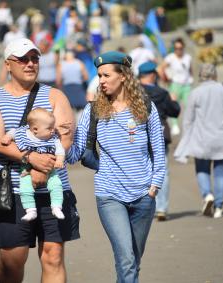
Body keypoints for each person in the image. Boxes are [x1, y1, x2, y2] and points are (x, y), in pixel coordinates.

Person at [0, 37, 79, 283]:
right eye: (23, 59)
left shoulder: (55, 96)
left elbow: (65, 138)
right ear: (7, 64)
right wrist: (30, 159)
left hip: (54, 189)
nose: (30, 63)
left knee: (53, 256)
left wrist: (43, 170)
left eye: (35, 58)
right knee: (12, 260)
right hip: (12, 191)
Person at [67, 51, 165, 282]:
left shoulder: (145, 107)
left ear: (123, 76)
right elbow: (75, 154)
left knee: (133, 260)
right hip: (110, 194)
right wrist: (60, 139)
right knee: (126, 259)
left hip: (143, 195)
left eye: (105, 75)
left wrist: (154, 186)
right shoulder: (93, 111)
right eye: (99, 76)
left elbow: (159, 150)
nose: (100, 80)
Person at [174, 64, 223, 218]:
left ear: (200, 76)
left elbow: (188, 119)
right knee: (220, 174)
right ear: (215, 75)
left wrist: (186, 138)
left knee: (202, 170)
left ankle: (207, 195)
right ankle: (218, 207)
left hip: (202, 139)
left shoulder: (195, 93)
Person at [1, 108, 65, 222]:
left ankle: (56, 206)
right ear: (35, 129)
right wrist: (7, 137)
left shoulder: (53, 138)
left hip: (49, 168)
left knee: (56, 185)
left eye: (53, 127)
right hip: (27, 168)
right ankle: (30, 210)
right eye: (49, 128)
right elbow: (13, 132)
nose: (53, 131)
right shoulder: (23, 133)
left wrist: (59, 160)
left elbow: (60, 150)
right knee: (25, 188)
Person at [138, 61, 180, 221]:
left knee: (142, 171)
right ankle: (161, 207)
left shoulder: (132, 92)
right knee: (162, 171)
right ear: (153, 75)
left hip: (138, 136)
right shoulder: (161, 93)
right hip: (160, 134)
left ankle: (147, 207)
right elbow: (174, 111)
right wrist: (174, 100)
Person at [158, 37, 193, 136]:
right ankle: (175, 125)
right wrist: (166, 79)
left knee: (189, 105)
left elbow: (190, 70)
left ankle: (190, 125)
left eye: (180, 48)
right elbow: (160, 69)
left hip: (186, 85)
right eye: (176, 48)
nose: (178, 50)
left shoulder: (188, 57)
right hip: (175, 85)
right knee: (174, 106)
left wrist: (191, 78)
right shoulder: (170, 57)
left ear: (183, 48)